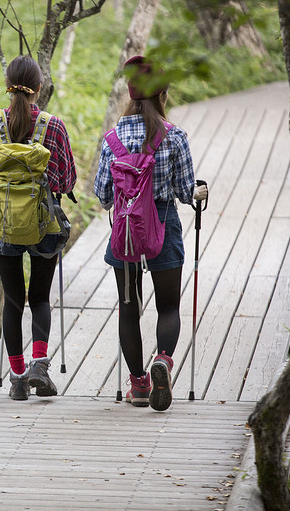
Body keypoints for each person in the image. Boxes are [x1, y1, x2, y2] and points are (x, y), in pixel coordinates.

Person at [93, 55, 208, 411]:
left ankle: (139, 386)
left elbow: (102, 194)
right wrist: (198, 192)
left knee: (129, 309)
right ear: (162, 94)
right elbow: (186, 190)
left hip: (126, 228)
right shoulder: (174, 136)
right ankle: (164, 360)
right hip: (162, 224)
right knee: (168, 306)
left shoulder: (113, 138)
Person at [0, 55, 77, 401]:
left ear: (8, 85)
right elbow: (66, 180)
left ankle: (18, 378)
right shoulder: (53, 125)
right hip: (45, 223)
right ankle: (40, 363)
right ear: (39, 87)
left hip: (4, 225)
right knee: (39, 298)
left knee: (12, 301)